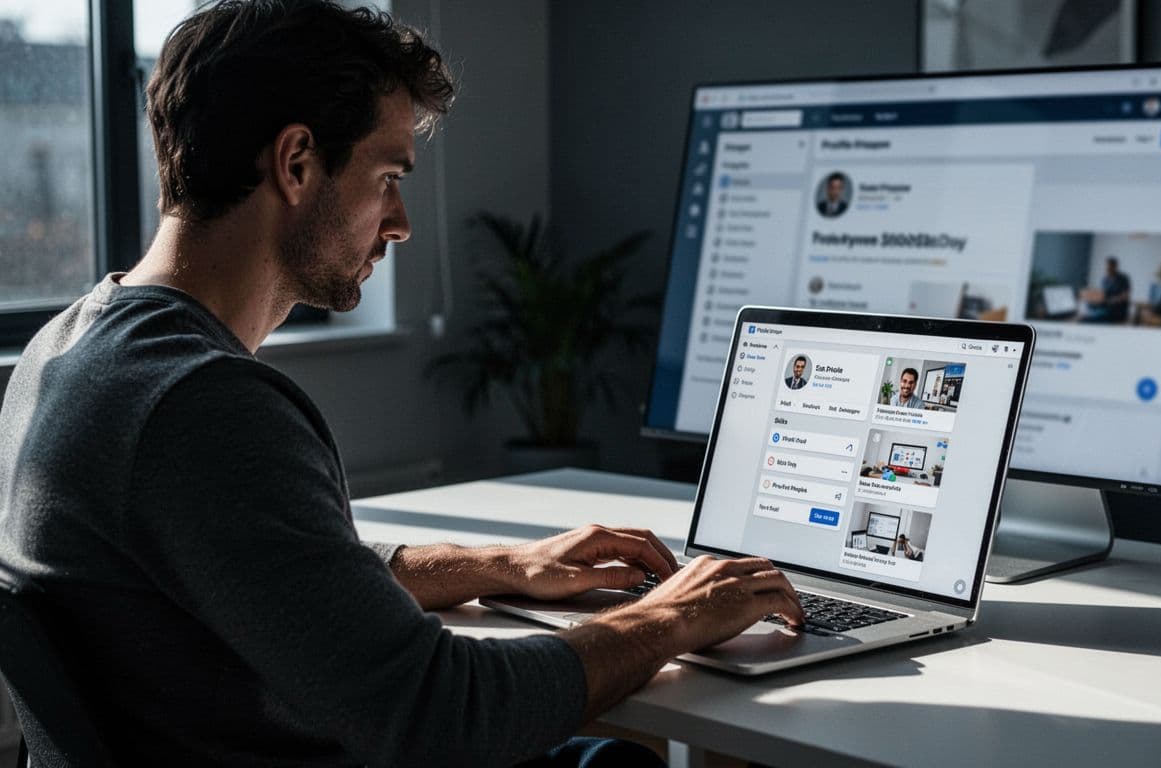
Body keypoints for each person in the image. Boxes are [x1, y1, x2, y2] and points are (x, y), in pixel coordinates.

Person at [0, 2, 803, 765]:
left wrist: (499, 566)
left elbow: (286, 575)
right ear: (297, 162)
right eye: (389, 175)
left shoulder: (70, 349)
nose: (402, 221)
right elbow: (444, 715)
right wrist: (672, 617)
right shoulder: (203, 403)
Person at [1084, 256, 1132, 324]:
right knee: (1089, 306)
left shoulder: (1123, 278)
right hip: (1105, 306)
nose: (1107, 268)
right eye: (1107, 266)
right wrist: (1095, 298)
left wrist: (1113, 300)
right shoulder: (1105, 279)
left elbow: (1125, 296)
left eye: (1110, 266)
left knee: (1086, 320)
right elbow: (1103, 295)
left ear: (1115, 266)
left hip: (1117, 310)